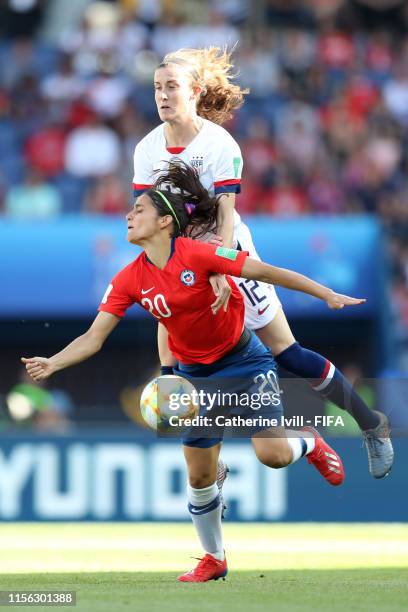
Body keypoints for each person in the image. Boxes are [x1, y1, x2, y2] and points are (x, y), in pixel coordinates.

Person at [23, 162, 364, 582]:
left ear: (165, 221)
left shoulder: (198, 254)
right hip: (194, 379)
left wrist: (324, 293)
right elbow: (94, 338)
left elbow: (265, 271)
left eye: (139, 210)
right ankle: (214, 558)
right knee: (201, 474)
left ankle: (309, 443)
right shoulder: (129, 279)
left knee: (272, 455)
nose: (128, 216)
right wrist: (53, 362)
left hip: (243, 361)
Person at [132, 46, 393, 479]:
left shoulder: (218, 144)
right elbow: (146, 214)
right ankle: (208, 469)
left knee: (285, 352)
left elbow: (226, 212)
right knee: (185, 360)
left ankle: (371, 424)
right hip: (180, 260)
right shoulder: (146, 149)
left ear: (195, 93)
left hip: (229, 251)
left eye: (172, 87)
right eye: (157, 88)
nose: (162, 95)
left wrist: (220, 268)